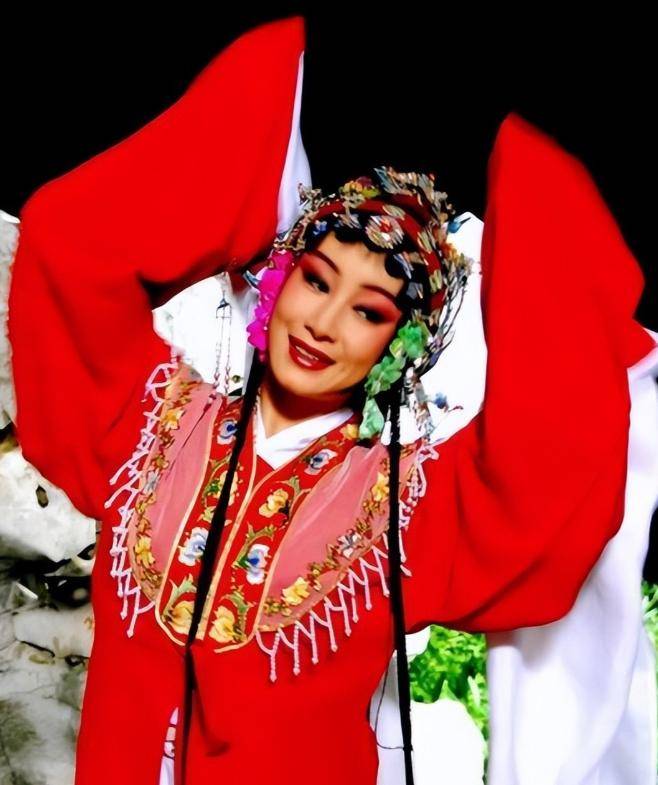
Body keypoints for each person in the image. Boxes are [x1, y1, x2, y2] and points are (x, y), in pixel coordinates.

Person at [6, 15, 658, 785]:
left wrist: (535, 162)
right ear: (280, 281)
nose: (323, 322)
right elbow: (70, 246)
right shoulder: (146, 426)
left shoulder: (408, 509)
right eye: (316, 280)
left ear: (401, 347)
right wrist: (259, 112)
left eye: (368, 312)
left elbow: (550, 460)